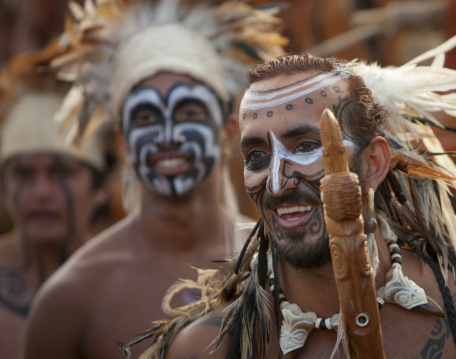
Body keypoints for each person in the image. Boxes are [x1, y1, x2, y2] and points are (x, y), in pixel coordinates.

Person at [132, 30, 456, 359]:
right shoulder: (206, 349)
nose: (277, 184)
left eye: (309, 146)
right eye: (257, 157)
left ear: (374, 163)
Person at [23, 1, 286, 358]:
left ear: (228, 131)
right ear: (123, 141)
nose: (167, 135)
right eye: (146, 117)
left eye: (188, 112)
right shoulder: (70, 298)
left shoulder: (284, 266)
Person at [0, 44, 109, 359]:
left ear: (100, 186)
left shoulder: (126, 281)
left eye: (61, 172)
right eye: (23, 174)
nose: (41, 192)